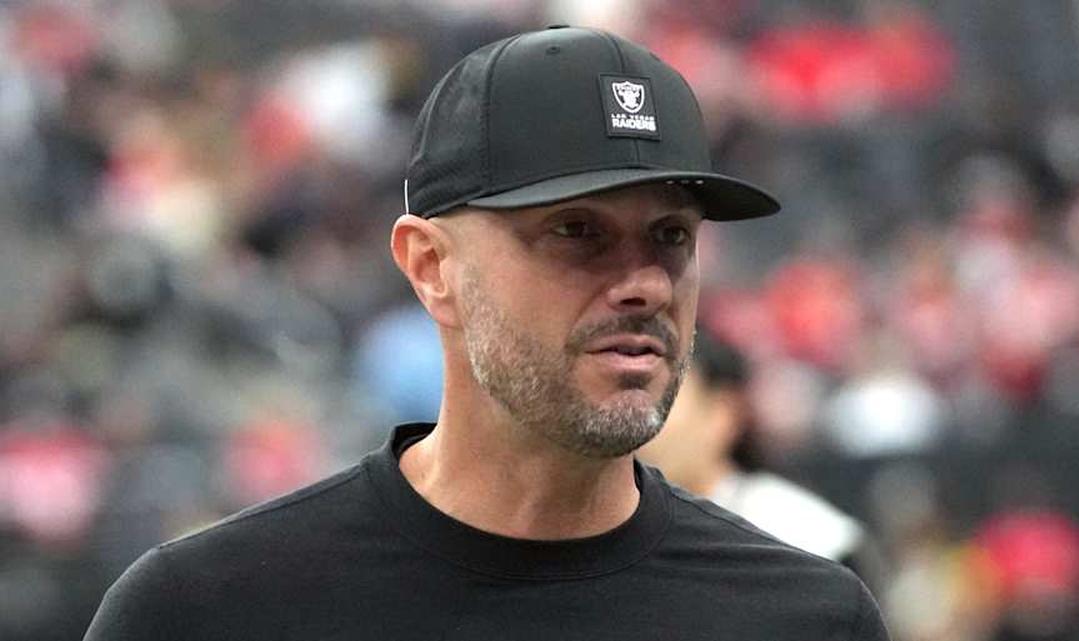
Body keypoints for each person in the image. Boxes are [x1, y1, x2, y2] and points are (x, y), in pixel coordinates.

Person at [84, 26, 889, 640]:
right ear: (432, 267)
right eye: (577, 231)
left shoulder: (805, 616)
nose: (645, 282)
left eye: (672, 236)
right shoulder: (206, 611)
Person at [637, 329, 878, 577]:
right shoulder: (622, 531)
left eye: (661, 398)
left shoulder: (803, 534)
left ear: (722, 413)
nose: (640, 419)